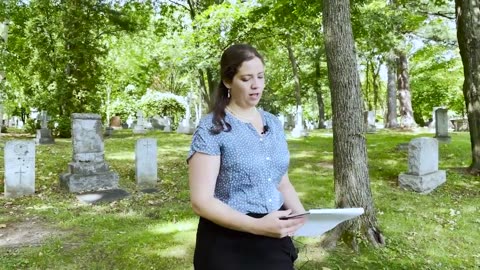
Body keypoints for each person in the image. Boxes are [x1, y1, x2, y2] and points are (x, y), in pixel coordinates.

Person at [187, 44, 306, 270]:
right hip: (228, 244)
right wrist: (259, 226)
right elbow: (201, 202)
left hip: (274, 237)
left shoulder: (273, 122)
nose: (256, 85)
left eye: (260, 77)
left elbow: (281, 181)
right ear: (228, 81)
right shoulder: (212, 128)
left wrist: (303, 217)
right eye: (246, 78)